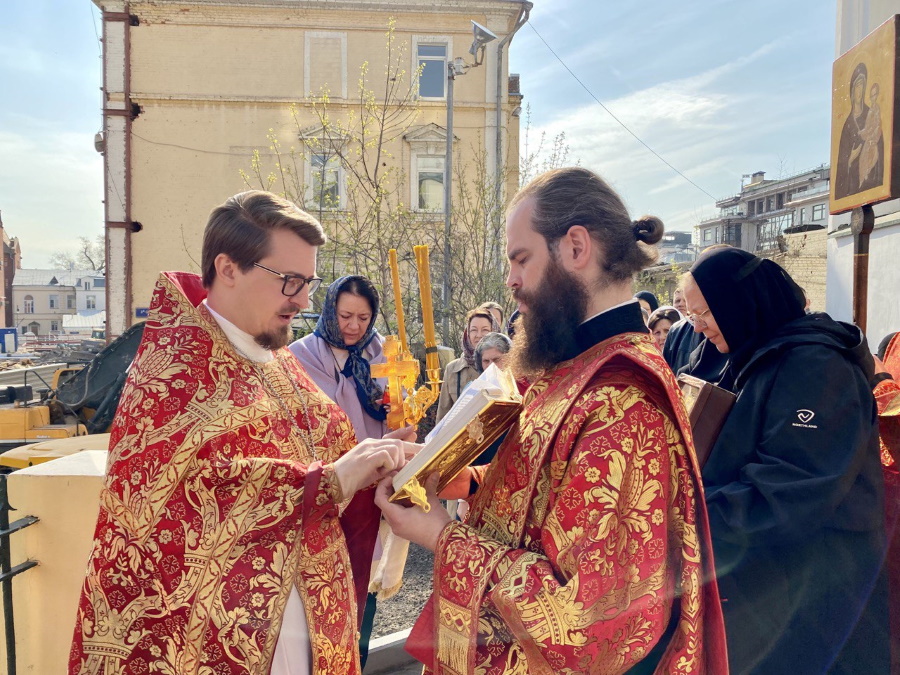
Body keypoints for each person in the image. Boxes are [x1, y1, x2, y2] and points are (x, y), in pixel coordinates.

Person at [377, 167, 727, 674]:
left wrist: (440, 535)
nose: (511, 280)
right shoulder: (571, 367)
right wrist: (464, 479)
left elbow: (586, 622)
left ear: (576, 247)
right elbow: (542, 491)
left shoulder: (624, 399)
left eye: (521, 259)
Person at [69, 191, 415, 675]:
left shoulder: (277, 360)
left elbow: (331, 450)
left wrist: (387, 459)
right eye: (289, 280)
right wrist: (331, 479)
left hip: (311, 620)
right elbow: (176, 505)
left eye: (309, 282)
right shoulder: (172, 372)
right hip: (219, 637)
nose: (303, 301)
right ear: (228, 268)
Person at [683, 247, 888, 674]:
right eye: (692, 315)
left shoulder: (815, 365)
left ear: (743, 303)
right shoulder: (750, 353)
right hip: (770, 576)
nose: (697, 327)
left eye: (705, 313)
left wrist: (687, 519)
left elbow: (793, 488)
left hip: (817, 584)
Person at [289, 275, 409, 667]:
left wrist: (401, 417)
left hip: (371, 492)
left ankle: (356, 661)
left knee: (363, 587)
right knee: (318, 587)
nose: (354, 326)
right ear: (329, 312)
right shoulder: (299, 357)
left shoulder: (384, 355)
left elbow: (402, 410)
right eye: (345, 316)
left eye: (363, 317)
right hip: (322, 488)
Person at [435, 308, 498, 421]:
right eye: (474, 330)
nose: (479, 335)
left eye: (485, 330)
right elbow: (443, 416)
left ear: (494, 332)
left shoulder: (503, 366)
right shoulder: (452, 369)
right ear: (467, 333)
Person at [835, 62, 884, 199]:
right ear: (852, 90)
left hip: (871, 174)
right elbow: (841, 166)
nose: (860, 90)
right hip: (853, 183)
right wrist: (850, 158)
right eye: (857, 86)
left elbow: (880, 142)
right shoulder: (847, 125)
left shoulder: (871, 113)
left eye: (862, 85)